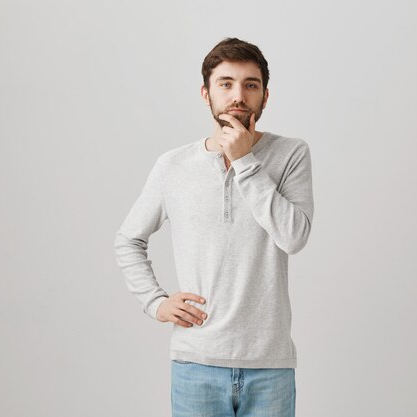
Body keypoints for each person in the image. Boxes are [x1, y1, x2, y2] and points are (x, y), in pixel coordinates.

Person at [114, 37, 314, 417]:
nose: (238, 95)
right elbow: (128, 239)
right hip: (196, 365)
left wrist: (245, 162)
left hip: (270, 367)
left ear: (265, 97)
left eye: (250, 85)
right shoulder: (172, 165)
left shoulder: (290, 155)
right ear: (206, 94)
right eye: (226, 84)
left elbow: (294, 236)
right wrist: (155, 303)